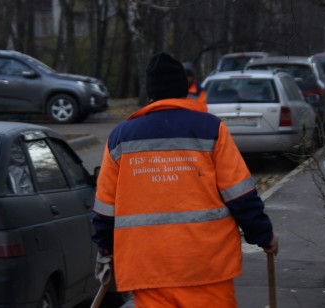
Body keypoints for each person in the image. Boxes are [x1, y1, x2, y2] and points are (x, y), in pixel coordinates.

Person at [92, 51, 279, 307]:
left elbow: (104, 208)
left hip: (148, 268)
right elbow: (240, 195)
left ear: (150, 94)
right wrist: (264, 235)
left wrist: (105, 249)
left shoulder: (120, 138)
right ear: (184, 89)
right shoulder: (211, 130)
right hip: (207, 266)